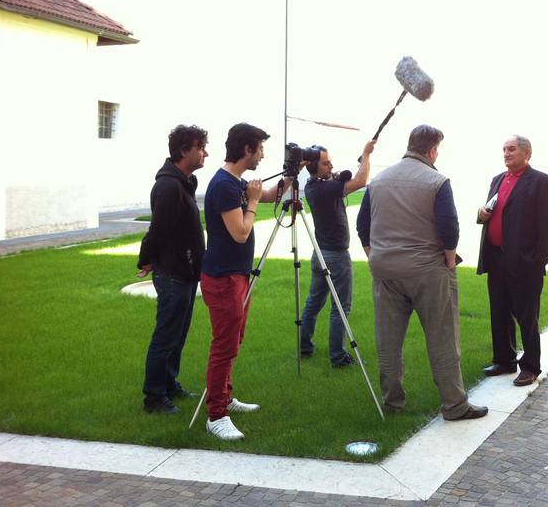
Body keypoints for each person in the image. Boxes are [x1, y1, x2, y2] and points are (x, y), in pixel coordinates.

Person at [356, 125, 488, 421]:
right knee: (443, 338)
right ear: (431, 151)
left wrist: (375, 255)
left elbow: (363, 225)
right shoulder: (437, 180)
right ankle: (454, 405)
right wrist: (450, 262)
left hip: (385, 270)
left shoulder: (378, 180)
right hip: (428, 270)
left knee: (388, 340)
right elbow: (449, 227)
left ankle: (392, 402)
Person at [200, 122, 293, 440]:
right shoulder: (225, 186)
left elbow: (267, 194)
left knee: (233, 341)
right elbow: (240, 232)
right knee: (223, 346)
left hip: (237, 274)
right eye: (260, 149)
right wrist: (251, 201)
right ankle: (216, 415)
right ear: (247, 149)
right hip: (223, 277)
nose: (263, 155)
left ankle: (225, 396)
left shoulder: (235, 182)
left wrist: (291, 175)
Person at [137, 124, 209, 414]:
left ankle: (169, 384)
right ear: (183, 151)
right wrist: (145, 259)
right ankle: (154, 397)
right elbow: (158, 230)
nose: (205, 153)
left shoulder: (184, 182)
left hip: (186, 271)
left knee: (178, 334)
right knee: (166, 335)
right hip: (173, 273)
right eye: (200, 148)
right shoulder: (169, 186)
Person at [477, 134, 548, 386]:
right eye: (504, 149)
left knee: (526, 316)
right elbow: (489, 212)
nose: (506, 153)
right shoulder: (498, 179)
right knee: (499, 311)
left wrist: (538, 261)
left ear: (527, 153)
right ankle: (504, 360)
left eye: (511, 149)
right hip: (496, 258)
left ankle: (530, 367)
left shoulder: (541, 181)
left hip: (525, 263)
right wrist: (480, 214)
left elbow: (547, 226)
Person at [300, 139, 376, 367]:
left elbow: (344, 177)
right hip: (336, 257)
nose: (331, 166)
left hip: (320, 254)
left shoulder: (313, 186)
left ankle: (304, 347)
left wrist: (344, 171)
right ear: (313, 167)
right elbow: (361, 181)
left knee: (314, 303)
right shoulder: (324, 188)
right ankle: (338, 356)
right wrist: (366, 154)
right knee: (341, 308)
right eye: (325, 163)